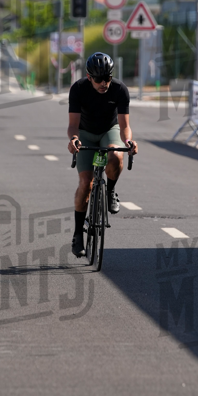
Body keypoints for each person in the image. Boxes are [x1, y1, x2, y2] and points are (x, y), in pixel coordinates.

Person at [67, 52, 138, 257]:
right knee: (85, 184)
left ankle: (111, 190)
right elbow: (73, 125)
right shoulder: (78, 89)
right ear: (89, 77)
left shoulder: (120, 89)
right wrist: (74, 139)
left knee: (116, 155)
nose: (104, 83)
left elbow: (124, 126)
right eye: (98, 79)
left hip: (109, 131)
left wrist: (128, 142)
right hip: (85, 133)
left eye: (107, 78)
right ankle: (78, 234)